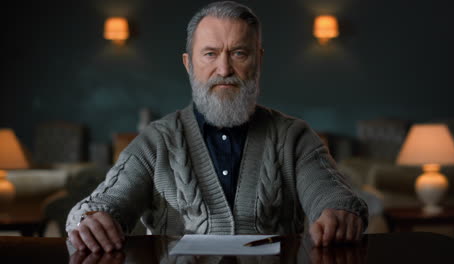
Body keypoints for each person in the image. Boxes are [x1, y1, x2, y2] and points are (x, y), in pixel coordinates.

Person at [67, 1, 368, 253]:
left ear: (258, 60)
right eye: (210, 54)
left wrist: (340, 213)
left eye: (239, 53)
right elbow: (104, 203)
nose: (224, 69)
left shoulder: (295, 136)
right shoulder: (155, 141)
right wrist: (92, 219)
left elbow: (332, 195)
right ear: (189, 64)